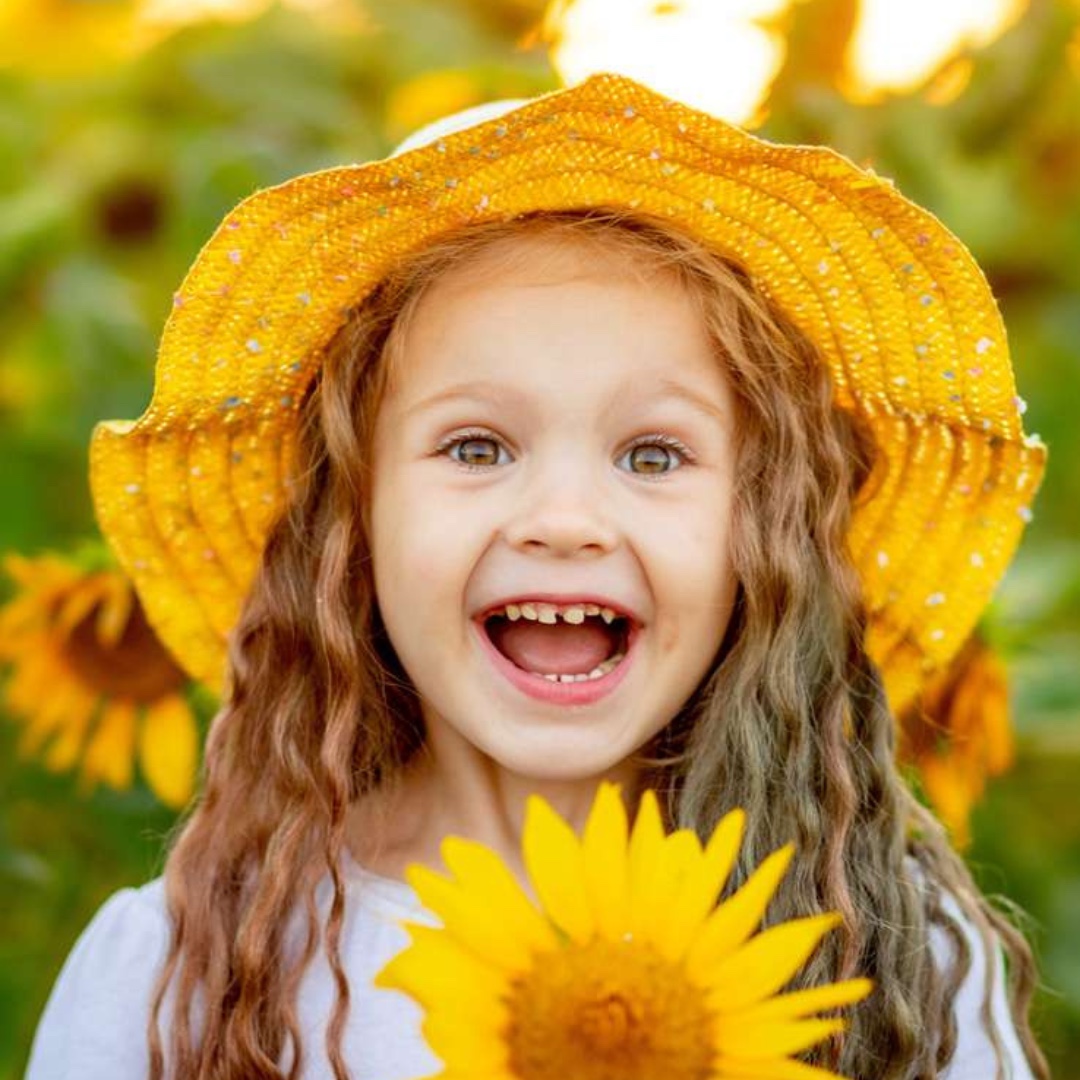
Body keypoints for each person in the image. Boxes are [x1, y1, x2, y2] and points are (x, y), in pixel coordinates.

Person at [25, 73, 1048, 1080]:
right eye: (475, 448)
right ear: (353, 521)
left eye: (654, 455)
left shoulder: (897, 960)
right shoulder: (179, 973)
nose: (565, 523)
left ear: (763, 531)